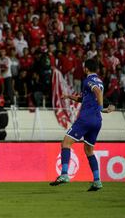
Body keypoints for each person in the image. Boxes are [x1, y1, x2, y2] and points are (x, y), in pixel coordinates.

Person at [49, 59, 115, 191]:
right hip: (97, 121)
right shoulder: (100, 81)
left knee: (66, 143)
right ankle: (97, 181)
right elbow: (85, 98)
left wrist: (101, 107)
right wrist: (68, 96)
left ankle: (64, 174)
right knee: (89, 150)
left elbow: (97, 92)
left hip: (86, 118)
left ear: (86, 69)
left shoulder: (88, 80)